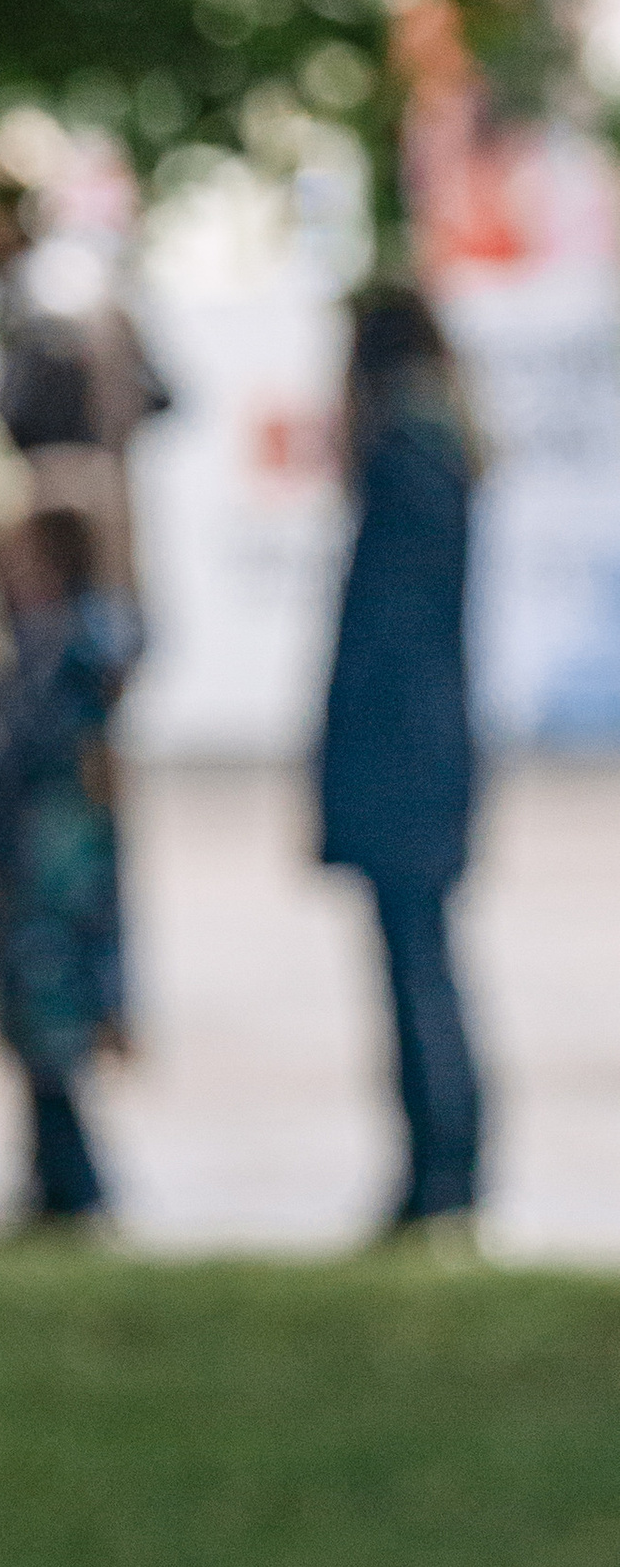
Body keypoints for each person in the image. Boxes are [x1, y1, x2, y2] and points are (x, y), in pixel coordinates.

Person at [316, 283, 484, 1239]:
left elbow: (383, 635)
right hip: (425, 747)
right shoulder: (438, 445)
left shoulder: (407, 452)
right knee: (423, 963)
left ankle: (440, 1175)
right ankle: (439, 1170)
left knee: (416, 970)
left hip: (402, 756)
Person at [0, 503, 140, 1227]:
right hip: (48, 864)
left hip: (50, 868)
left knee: (50, 1024)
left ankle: (75, 1186)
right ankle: (54, 1178)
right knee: (38, 1027)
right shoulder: (51, 650)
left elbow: (20, 765)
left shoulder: (65, 654)